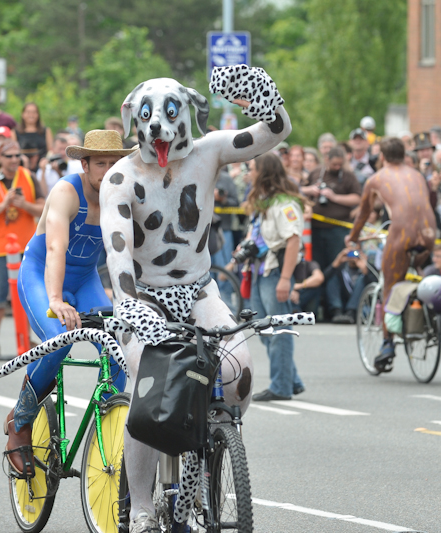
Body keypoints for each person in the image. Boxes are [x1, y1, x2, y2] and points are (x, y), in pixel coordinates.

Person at [101, 69, 291, 532]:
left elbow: (275, 132)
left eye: (170, 113)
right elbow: (118, 251)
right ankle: (141, 508)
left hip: (200, 288)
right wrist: (129, 305)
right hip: (144, 297)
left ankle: (208, 449)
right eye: (148, 116)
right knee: (148, 394)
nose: (159, 127)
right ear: (132, 119)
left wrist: (264, 98)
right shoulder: (119, 178)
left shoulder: (209, 152)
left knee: (238, 370)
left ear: (189, 112)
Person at [3, 131, 132, 477]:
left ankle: (107, 433)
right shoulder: (66, 191)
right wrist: (56, 299)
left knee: (117, 347)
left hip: (86, 280)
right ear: (84, 164)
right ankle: (20, 421)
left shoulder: (123, 193)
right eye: (101, 163)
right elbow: (55, 248)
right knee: (58, 342)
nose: (109, 171)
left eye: (115, 163)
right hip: (40, 273)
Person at [346, 137, 437, 372]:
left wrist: (353, 238)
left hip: (403, 234)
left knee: (390, 284)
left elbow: (363, 213)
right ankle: (426, 316)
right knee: (418, 274)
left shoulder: (376, 179)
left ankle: (387, 345)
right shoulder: (417, 175)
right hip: (429, 232)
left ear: (382, 157)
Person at [239, 153, 307, 401]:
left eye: (252, 168)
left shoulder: (284, 204)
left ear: (264, 172)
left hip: (275, 271)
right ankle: (291, 379)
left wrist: (285, 279)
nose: (249, 172)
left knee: (279, 329)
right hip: (259, 270)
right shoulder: (264, 201)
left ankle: (281, 386)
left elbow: (293, 240)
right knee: (264, 329)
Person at [0, 141, 45, 358]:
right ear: (0, 158)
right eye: (9, 156)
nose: (14, 159)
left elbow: (44, 207)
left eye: (17, 155)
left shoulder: (29, 177)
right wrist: (3, 205)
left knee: (27, 295)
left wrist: (25, 205)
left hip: (26, 247)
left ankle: (27, 338)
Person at [302, 146, 361, 319]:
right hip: (316, 230)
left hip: (338, 230)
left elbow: (357, 198)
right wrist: (311, 190)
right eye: (334, 164)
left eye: (340, 164)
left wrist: (334, 197)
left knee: (337, 267)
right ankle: (318, 309)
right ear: (327, 160)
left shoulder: (348, 176)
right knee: (319, 268)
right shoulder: (316, 173)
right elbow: (300, 191)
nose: (337, 167)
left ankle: (336, 307)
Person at [322, 246, 375, 324]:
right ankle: (337, 312)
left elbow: (375, 286)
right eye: (351, 253)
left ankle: (351, 312)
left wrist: (365, 271)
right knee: (332, 278)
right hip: (342, 305)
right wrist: (336, 262)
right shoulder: (340, 267)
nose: (353, 256)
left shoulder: (368, 267)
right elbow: (323, 280)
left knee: (361, 279)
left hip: (360, 308)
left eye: (356, 253)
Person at [16, 103, 52, 172]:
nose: (31, 115)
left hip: (42, 168)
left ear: (38, 115)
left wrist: (45, 160)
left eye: (34, 112)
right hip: (21, 168)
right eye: (28, 112)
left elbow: (50, 151)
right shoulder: (15, 132)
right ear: (23, 114)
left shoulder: (46, 131)